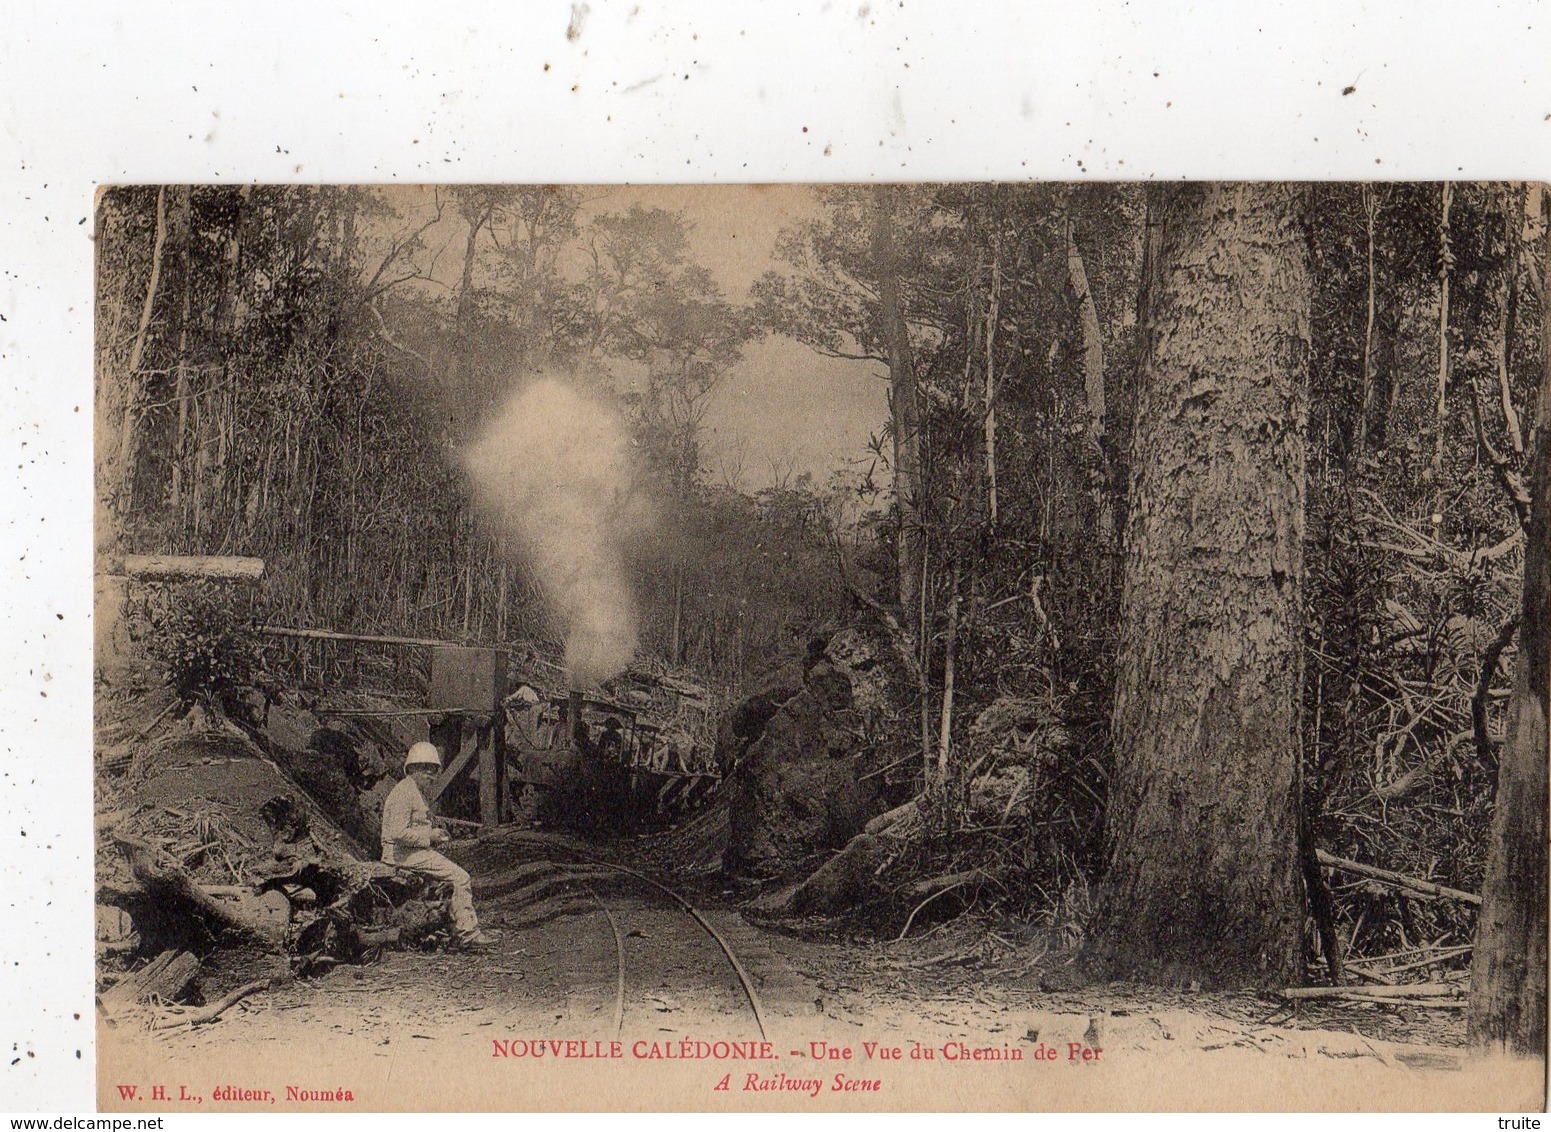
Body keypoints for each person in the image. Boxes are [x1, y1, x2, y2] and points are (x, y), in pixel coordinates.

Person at [381, 741, 495, 951]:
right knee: (461, 877)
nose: (432, 778)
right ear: (414, 769)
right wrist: (430, 836)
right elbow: (397, 833)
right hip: (401, 854)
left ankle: (455, 928)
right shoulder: (403, 794)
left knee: (451, 878)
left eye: (434, 772)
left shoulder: (411, 790)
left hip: (411, 851)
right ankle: (468, 933)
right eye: (428, 772)